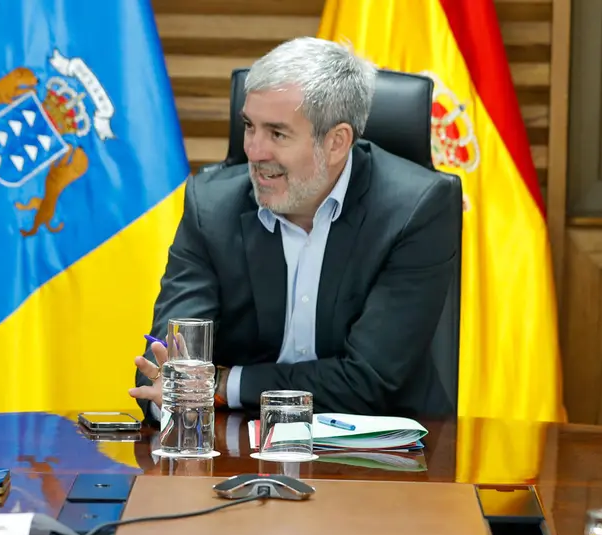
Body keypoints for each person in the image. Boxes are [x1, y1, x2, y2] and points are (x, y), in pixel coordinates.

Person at [131, 37, 461, 418]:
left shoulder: (414, 209)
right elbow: (167, 364)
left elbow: (368, 381)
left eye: (277, 134)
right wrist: (173, 396)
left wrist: (221, 384)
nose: (254, 150)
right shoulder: (211, 207)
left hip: (387, 442)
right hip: (239, 440)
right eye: (249, 126)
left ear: (336, 142)